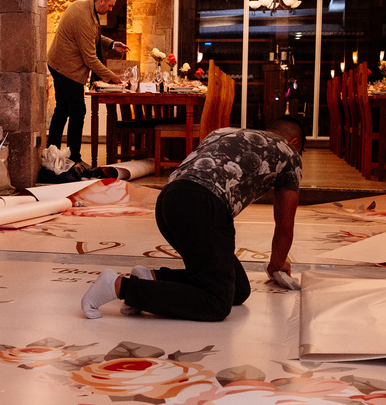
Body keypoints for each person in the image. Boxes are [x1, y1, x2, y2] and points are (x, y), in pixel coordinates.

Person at [81, 116, 304, 322]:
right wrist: (277, 264)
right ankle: (120, 287)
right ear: (294, 143)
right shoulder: (290, 154)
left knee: (238, 289)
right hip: (203, 204)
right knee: (216, 302)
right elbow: (284, 225)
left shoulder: (225, 132)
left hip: (168, 202)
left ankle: (151, 279)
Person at [46, 0, 128, 165]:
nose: (111, 9)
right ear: (101, 1)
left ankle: (51, 152)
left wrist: (112, 44)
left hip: (59, 64)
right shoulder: (84, 17)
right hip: (66, 69)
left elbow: (93, 37)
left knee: (63, 110)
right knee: (77, 110)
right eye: (110, 5)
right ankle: (74, 157)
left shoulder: (84, 6)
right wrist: (112, 77)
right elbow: (90, 58)